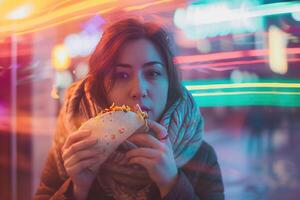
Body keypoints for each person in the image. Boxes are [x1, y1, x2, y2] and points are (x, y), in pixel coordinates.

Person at [34, 18, 224, 200]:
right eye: (122, 75)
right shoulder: (74, 150)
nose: (139, 90)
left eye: (153, 73)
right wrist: (78, 190)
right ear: (100, 86)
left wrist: (170, 183)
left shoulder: (199, 155)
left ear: (170, 84)